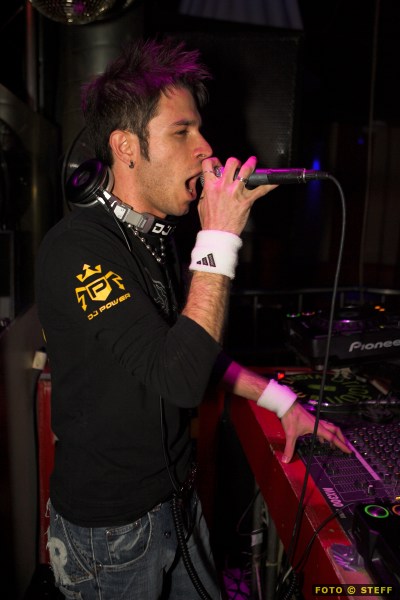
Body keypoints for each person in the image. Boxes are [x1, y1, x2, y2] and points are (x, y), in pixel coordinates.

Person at [35, 37, 351, 600]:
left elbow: (192, 352)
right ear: (126, 147)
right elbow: (180, 380)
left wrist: (283, 401)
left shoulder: (157, 238)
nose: (206, 149)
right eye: (182, 132)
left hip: (178, 503)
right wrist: (219, 238)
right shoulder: (77, 249)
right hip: (110, 534)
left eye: (200, 130)